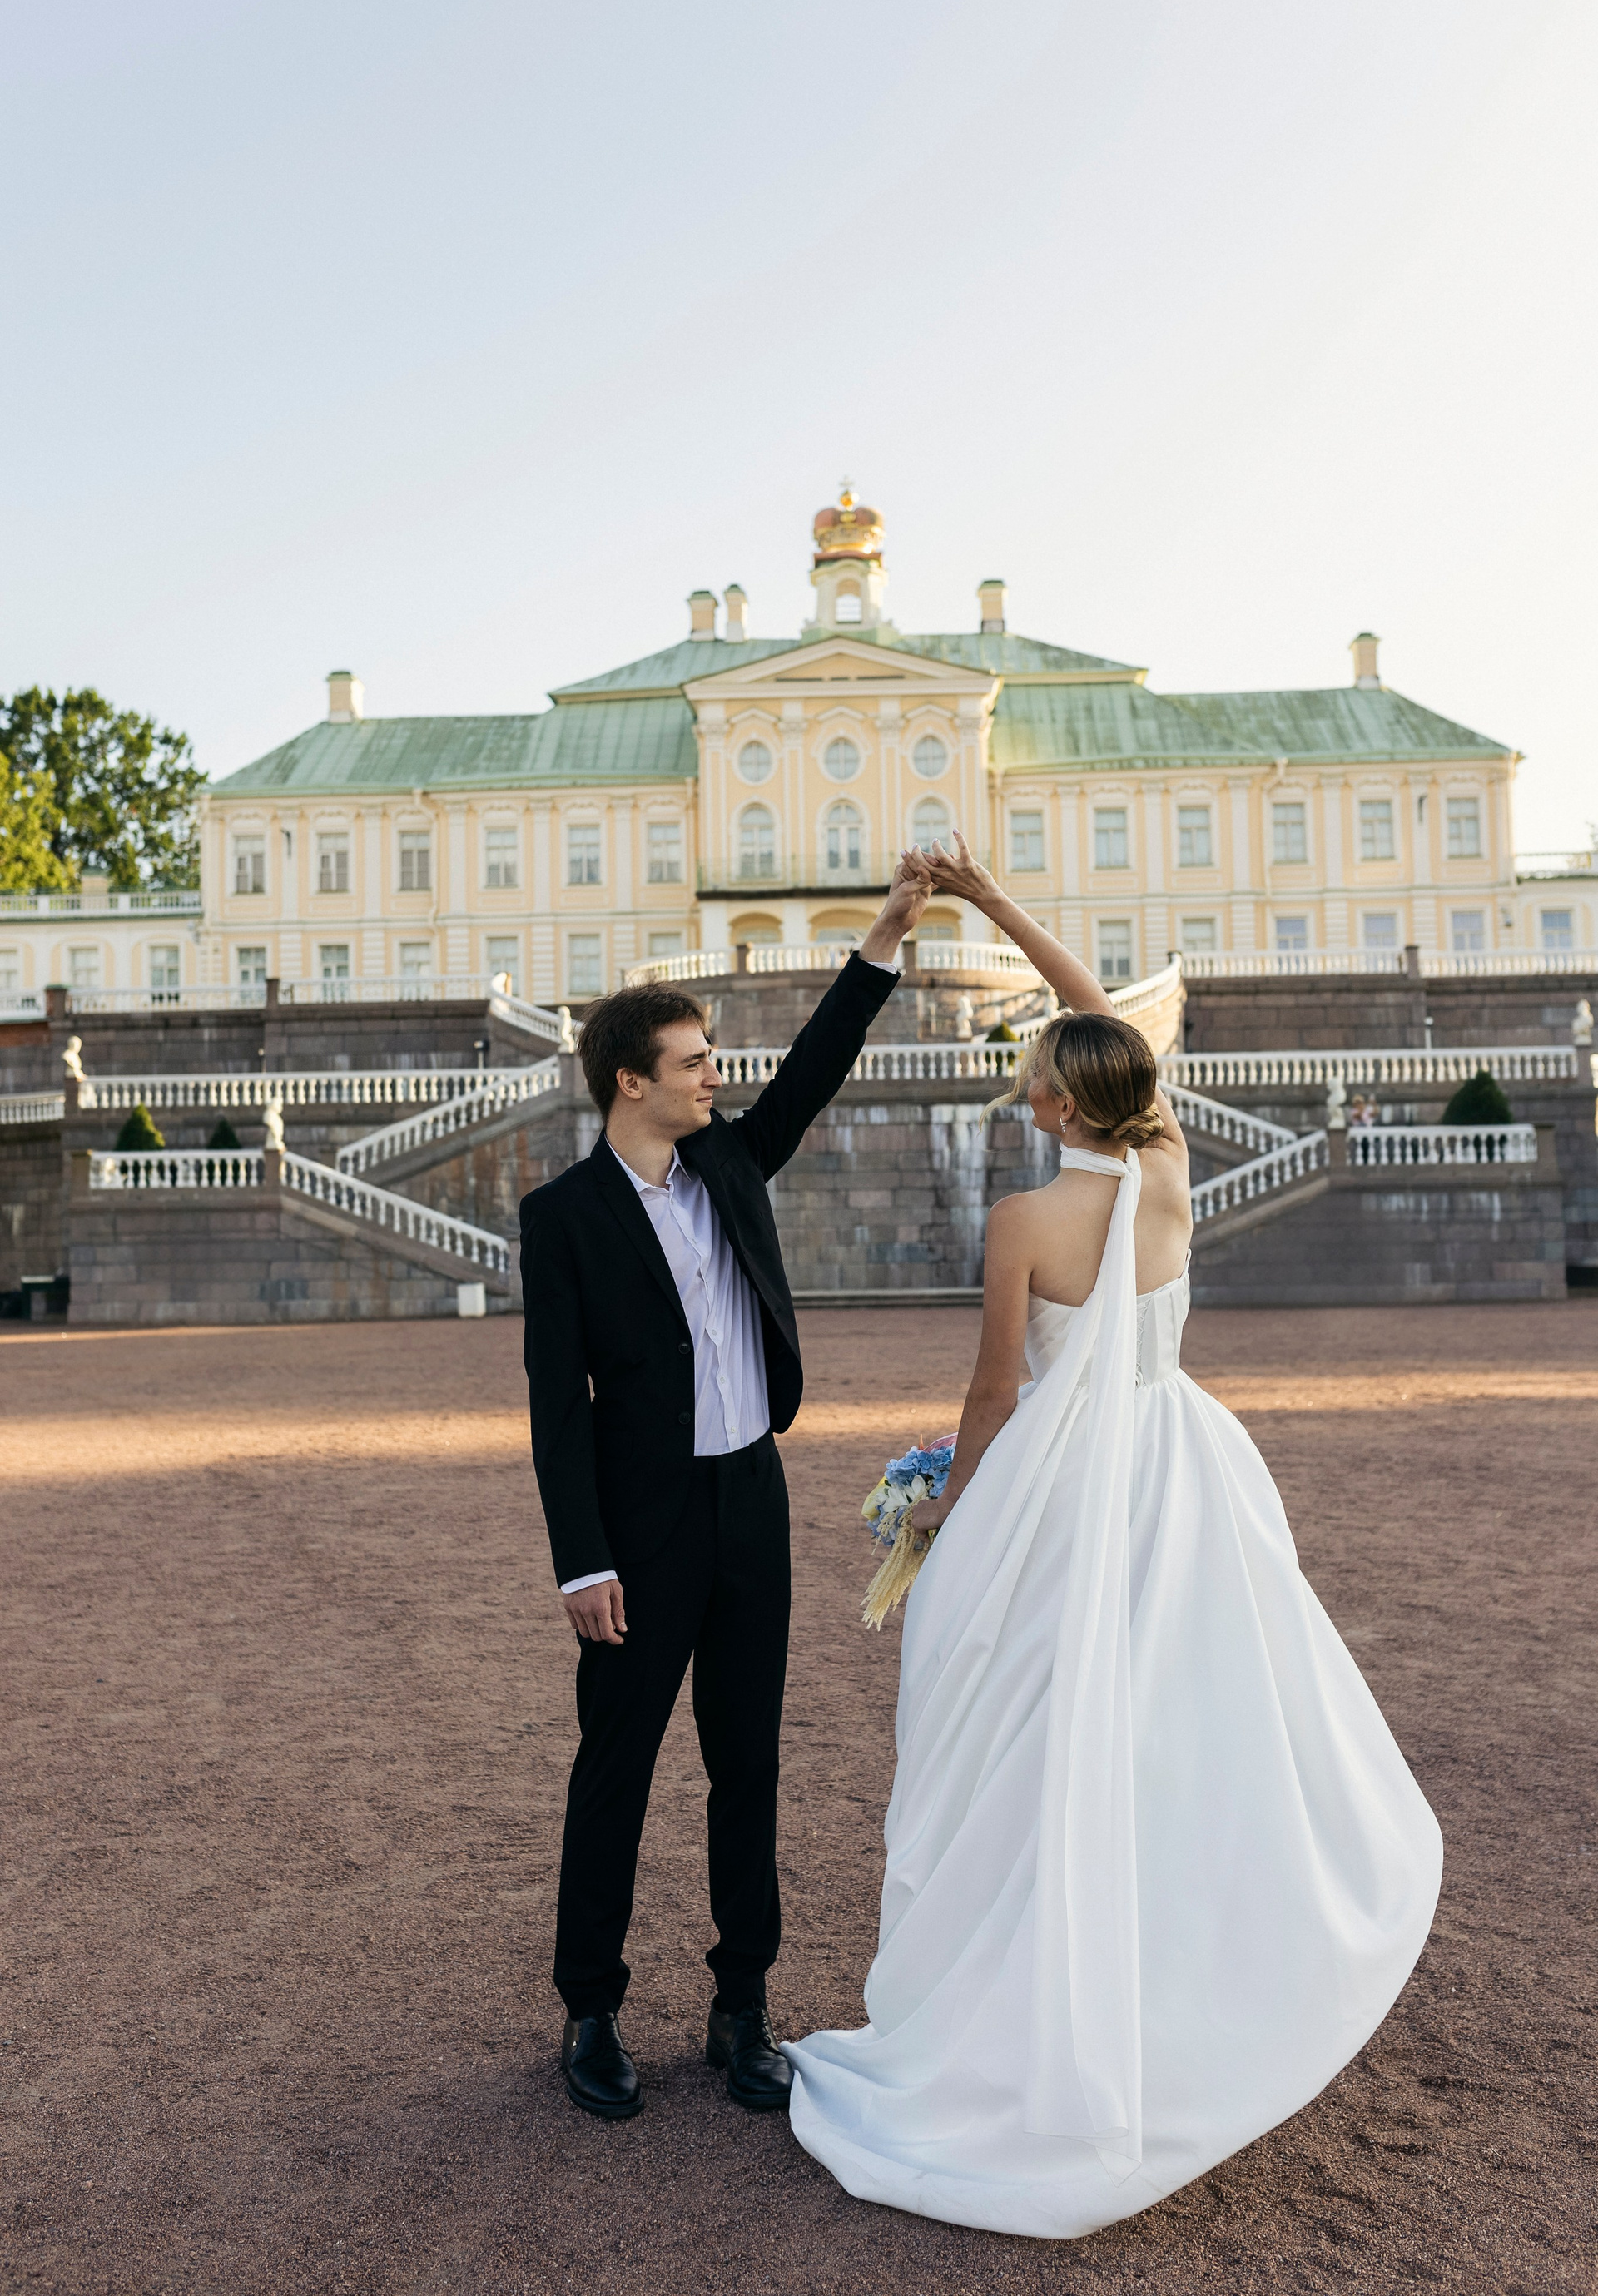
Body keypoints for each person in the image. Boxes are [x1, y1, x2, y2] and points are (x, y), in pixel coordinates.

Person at [787, 832, 1442, 2238]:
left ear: (1051, 1103)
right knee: (1170, 1732)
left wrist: (945, 1510)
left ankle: (1026, 1999)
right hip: (1180, 1473)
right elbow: (1105, 1028)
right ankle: (1169, 1994)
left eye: (1033, 1074)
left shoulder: (1025, 1218)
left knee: (1022, 1740)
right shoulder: (1171, 1169)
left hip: (1061, 1485)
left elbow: (992, 1394)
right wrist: (998, 901)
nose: (1024, 1082)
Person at [521, 857, 931, 2120]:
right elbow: (556, 1403)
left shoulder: (735, 1165)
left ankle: (740, 2006)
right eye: (694, 1061)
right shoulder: (563, 1218)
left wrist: (885, 938)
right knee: (618, 1767)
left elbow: (816, 1064)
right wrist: (584, 1559)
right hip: (640, 1527)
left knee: (747, 1763)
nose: (717, 1075)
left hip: (752, 1501)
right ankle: (591, 2009)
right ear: (630, 1081)